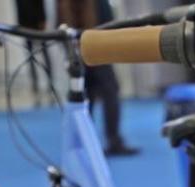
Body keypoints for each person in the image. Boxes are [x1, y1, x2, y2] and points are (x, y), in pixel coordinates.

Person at [57, 0, 139, 156]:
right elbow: (108, 21)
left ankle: (85, 144)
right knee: (108, 94)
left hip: (80, 52)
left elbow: (60, 28)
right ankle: (111, 141)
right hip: (96, 50)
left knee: (85, 99)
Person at [15, 0, 54, 108]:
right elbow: (18, 7)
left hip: (38, 24)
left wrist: (42, 20)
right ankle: (35, 86)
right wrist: (20, 25)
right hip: (25, 25)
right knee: (30, 57)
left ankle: (50, 84)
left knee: (45, 55)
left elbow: (40, 4)